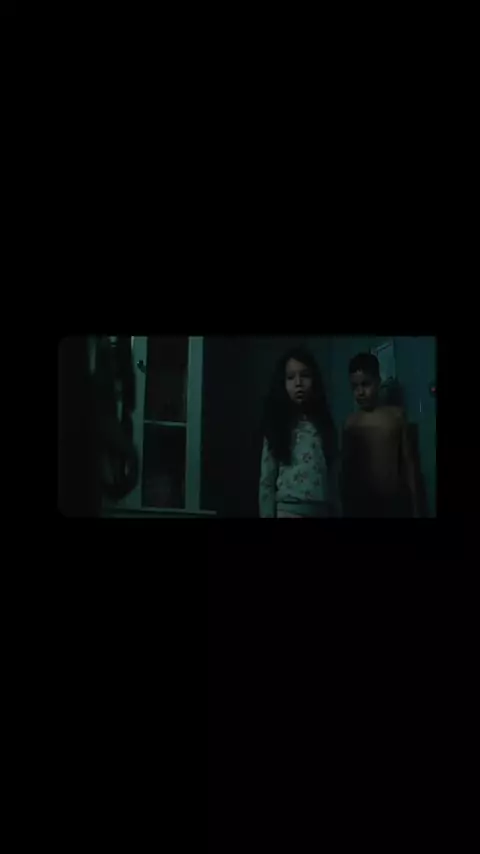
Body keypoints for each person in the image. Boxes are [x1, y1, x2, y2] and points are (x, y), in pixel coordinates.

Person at [259, 347, 339, 518]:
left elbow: (333, 476)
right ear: (283, 383)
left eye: (305, 375)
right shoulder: (277, 426)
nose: (298, 383)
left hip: (321, 510)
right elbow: (267, 481)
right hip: (288, 510)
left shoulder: (323, 426)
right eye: (290, 377)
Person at [340, 353, 419, 517]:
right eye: (354, 387)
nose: (360, 392)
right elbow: (346, 470)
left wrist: (416, 507)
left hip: (394, 501)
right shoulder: (351, 423)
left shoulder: (396, 416)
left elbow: (409, 463)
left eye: (365, 384)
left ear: (378, 381)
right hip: (362, 503)